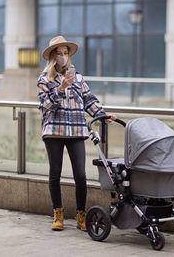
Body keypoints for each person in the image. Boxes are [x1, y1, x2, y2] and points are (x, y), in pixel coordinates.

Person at [37, 35, 116, 231]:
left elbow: (89, 99)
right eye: (60, 54)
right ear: (53, 58)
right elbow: (45, 106)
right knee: (55, 173)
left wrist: (102, 115)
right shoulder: (44, 79)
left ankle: (82, 215)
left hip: (76, 130)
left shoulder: (78, 77)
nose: (64, 57)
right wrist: (61, 88)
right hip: (54, 130)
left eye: (66, 53)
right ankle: (58, 214)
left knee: (80, 175)